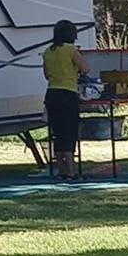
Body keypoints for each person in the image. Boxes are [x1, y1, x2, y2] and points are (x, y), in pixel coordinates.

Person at [43, 20, 90, 180]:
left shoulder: (48, 51)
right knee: (69, 131)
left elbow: (46, 74)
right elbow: (85, 68)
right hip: (68, 94)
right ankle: (71, 171)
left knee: (57, 132)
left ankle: (61, 170)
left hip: (51, 94)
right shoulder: (71, 50)